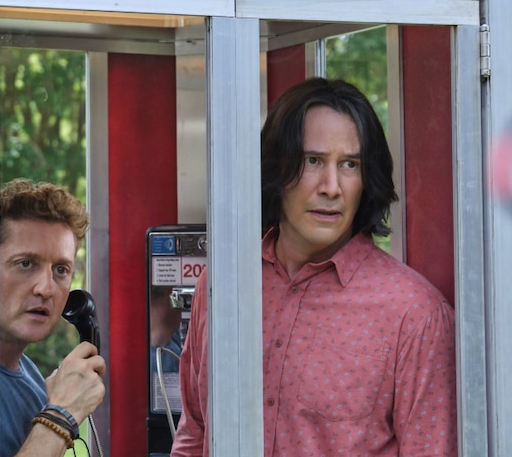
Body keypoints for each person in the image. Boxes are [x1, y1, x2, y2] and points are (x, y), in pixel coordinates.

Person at [172, 78, 458, 456]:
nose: (331, 187)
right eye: (313, 161)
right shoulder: (223, 285)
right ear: (276, 168)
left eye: (350, 165)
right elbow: (195, 433)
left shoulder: (415, 315)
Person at [0, 179, 106, 457]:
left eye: (60, 269)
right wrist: (61, 414)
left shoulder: (31, 377)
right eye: (26, 264)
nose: (46, 288)